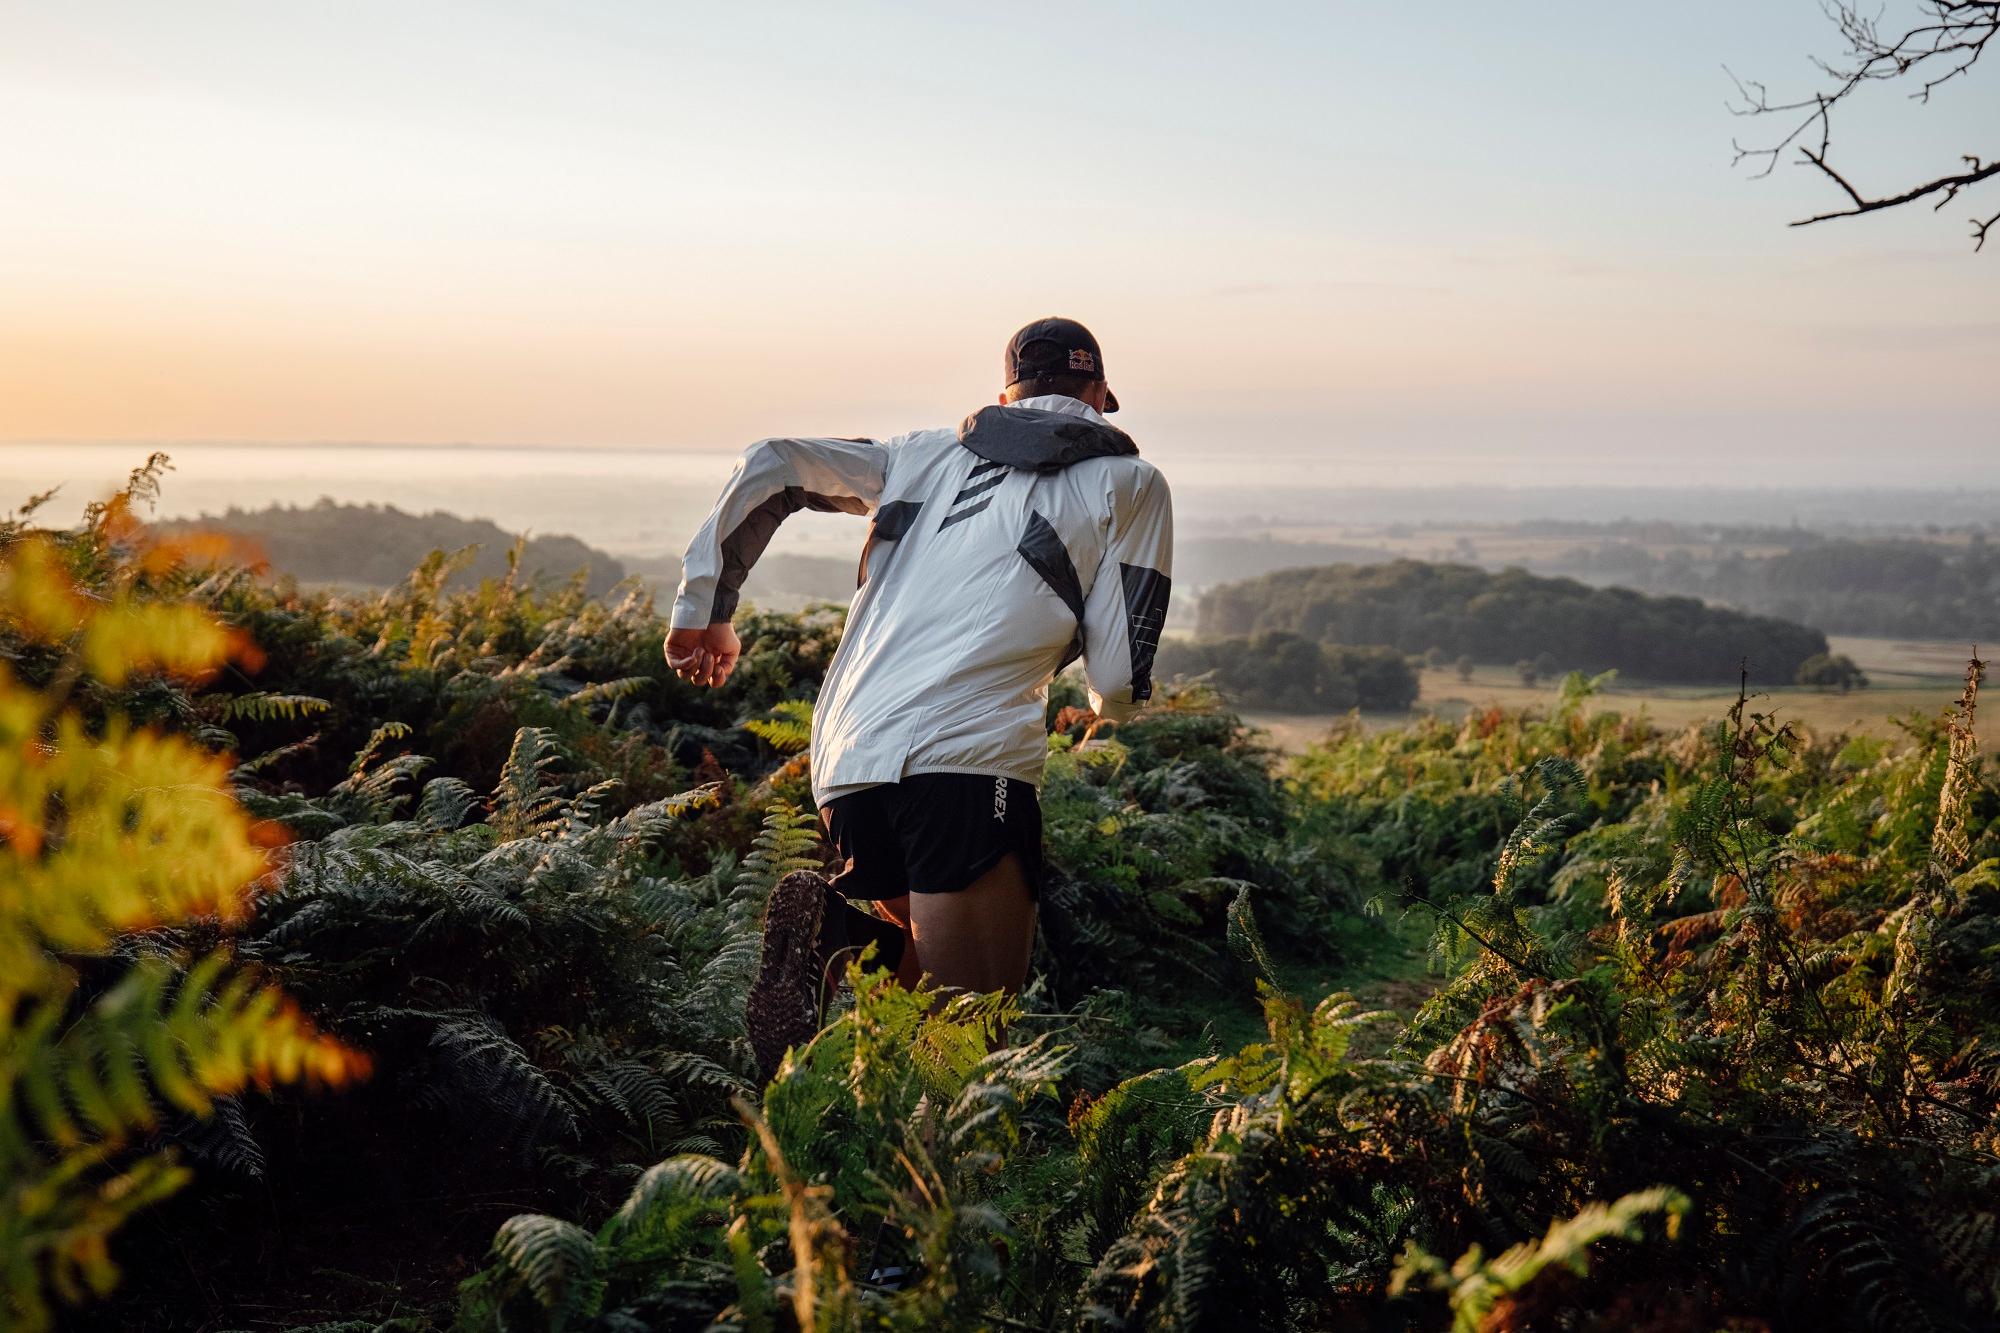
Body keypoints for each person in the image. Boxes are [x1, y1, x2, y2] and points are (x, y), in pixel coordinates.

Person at [665, 318, 1173, 1077]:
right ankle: (837, 943)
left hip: (847, 755)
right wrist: (1104, 710)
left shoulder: (919, 454)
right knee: (973, 1037)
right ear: (1099, 396)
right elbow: (1119, 677)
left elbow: (773, 464)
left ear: (1005, 394)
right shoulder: (1131, 483)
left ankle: (840, 938)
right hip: (970, 762)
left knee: (924, 981)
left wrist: (704, 610)